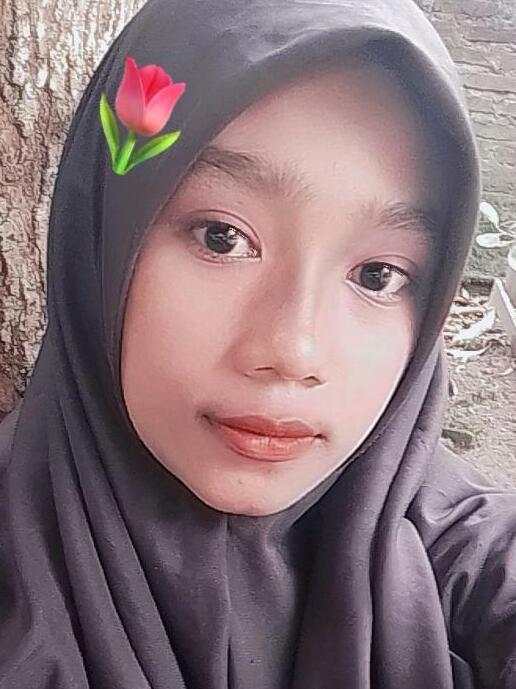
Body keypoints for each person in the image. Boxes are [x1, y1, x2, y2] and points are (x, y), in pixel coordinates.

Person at [0, 0, 515, 687]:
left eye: (378, 274)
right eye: (222, 237)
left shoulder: (460, 544)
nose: (293, 351)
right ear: (104, 240)